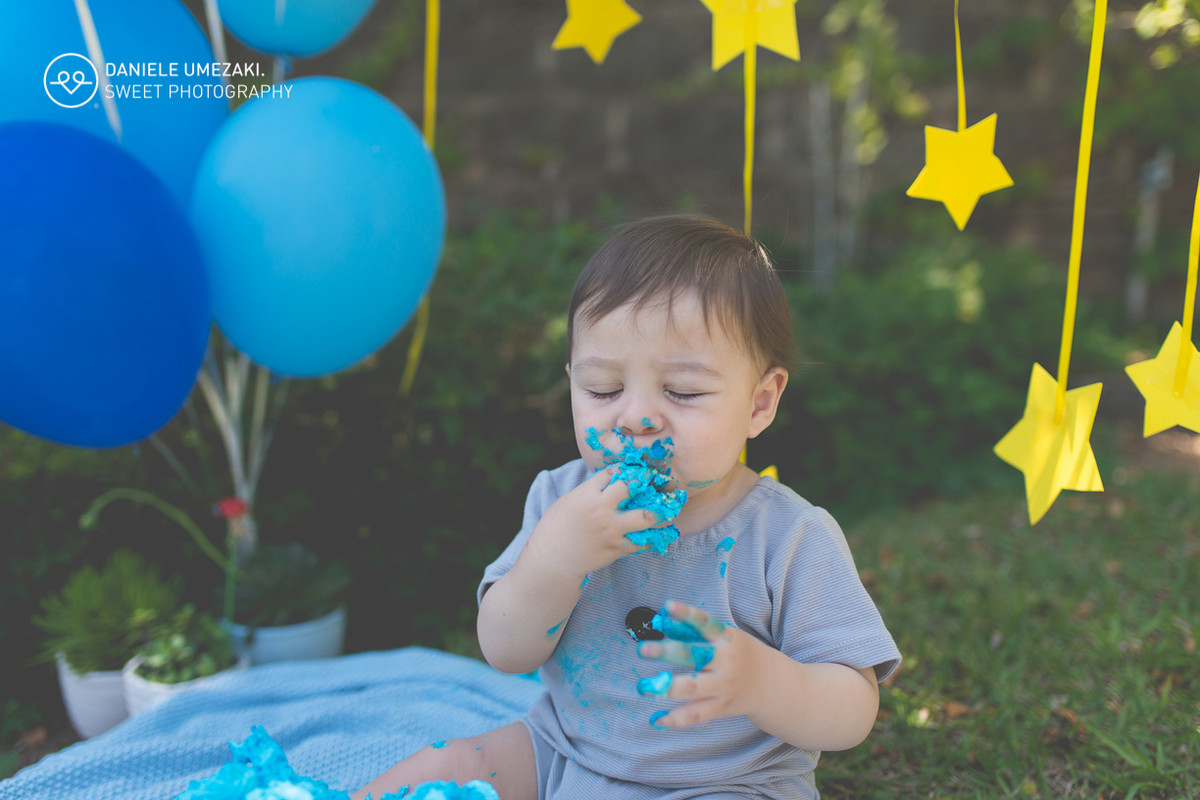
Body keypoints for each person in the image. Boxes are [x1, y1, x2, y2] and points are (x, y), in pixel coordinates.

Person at [353, 215, 900, 800]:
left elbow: (853, 711)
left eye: (683, 392)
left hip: (726, 783)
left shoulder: (789, 536)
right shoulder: (562, 501)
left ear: (759, 403)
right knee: (448, 769)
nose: (635, 418)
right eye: (603, 390)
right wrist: (555, 560)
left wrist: (762, 681)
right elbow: (506, 652)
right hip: (564, 756)